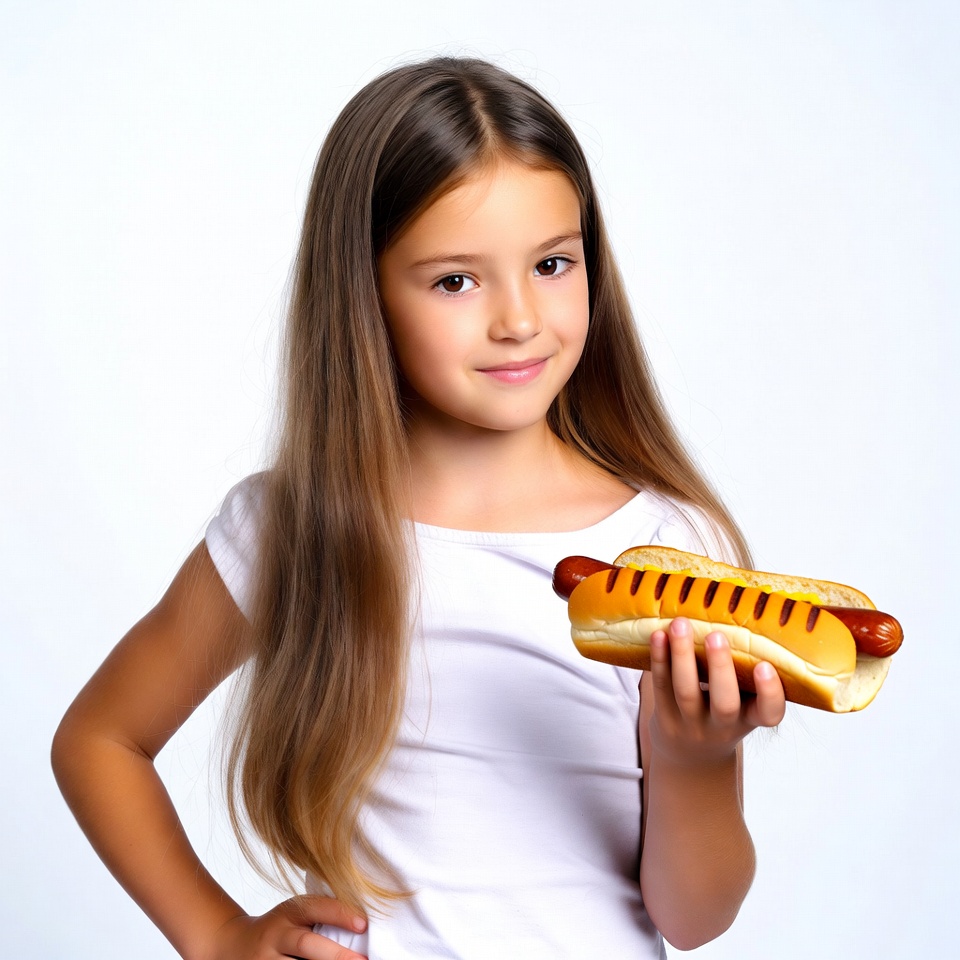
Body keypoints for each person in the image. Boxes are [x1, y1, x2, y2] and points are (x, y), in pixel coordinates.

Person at [52, 56, 786, 960]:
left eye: (552, 263)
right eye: (455, 282)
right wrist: (214, 934)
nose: (519, 319)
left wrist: (694, 759)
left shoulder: (665, 548)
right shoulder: (299, 529)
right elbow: (100, 738)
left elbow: (696, 917)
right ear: (363, 294)